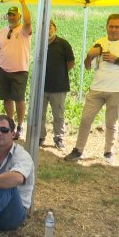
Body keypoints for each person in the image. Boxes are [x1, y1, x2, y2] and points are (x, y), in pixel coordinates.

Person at [64, 14, 119, 164]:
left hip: (117, 89)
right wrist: (89, 55)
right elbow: (88, 67)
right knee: (85, 119)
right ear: (106, 26)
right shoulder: (99, 42)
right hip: (97, 88)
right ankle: (78, 150)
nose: (113, 29)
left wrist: (117, 60)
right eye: (111, 26)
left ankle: (109, 152)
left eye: (117, 26)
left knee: (111, 122)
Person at [0, 0, 32, 140]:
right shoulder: (2, 31)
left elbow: (28, 20)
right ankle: (11, 124)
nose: (11, 17)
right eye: (9, 15)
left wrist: (23, 3)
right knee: (6, 98)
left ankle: (20, 125)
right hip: (3, 70)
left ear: (19, 16)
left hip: (20, 70)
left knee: (19, 99)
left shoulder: (24, 30)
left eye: (14, 15)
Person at [40, 20, 75, 149]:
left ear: (55, 29)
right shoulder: (40, 44)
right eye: (45, 27)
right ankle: (40, 137)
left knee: (58, 115)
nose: (48, 29)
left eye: (50, 26)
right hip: (42, 87)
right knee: (40, 114)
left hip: (59, 87)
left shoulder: (63, 44)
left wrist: (59, 73)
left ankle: (59, 138)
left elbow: (70, 63)